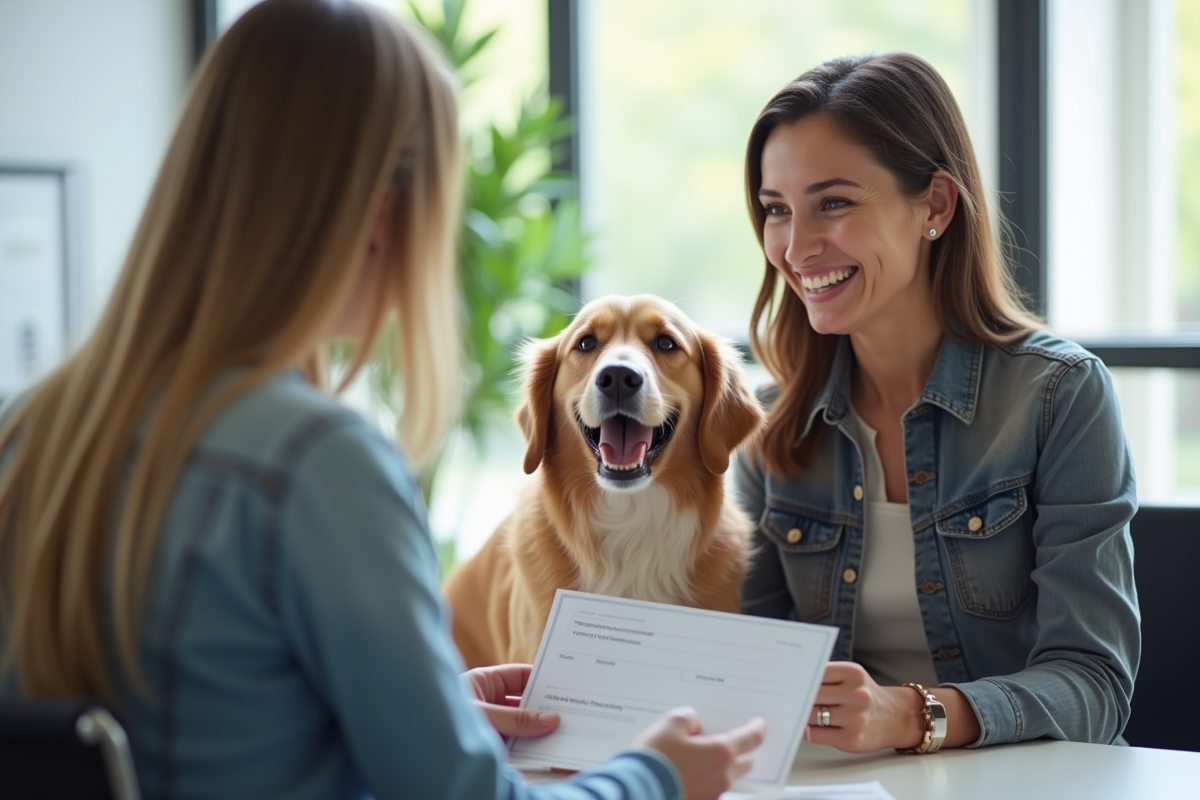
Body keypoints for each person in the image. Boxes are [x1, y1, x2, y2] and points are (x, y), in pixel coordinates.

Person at [0, 2, 765, 798]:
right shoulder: (316, 465)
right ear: (379, 211)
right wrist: (654, 776)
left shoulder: (30, 433)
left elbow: (207, 722)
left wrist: (430, 713)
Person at [734, 52, 1139, 754]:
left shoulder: (1058, 397)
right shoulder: (766, 423)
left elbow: (1093, 683)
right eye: (777, 211)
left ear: (937, 206)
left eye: (834, 203)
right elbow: (737, 669)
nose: (796, 248)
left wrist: (913, 715)